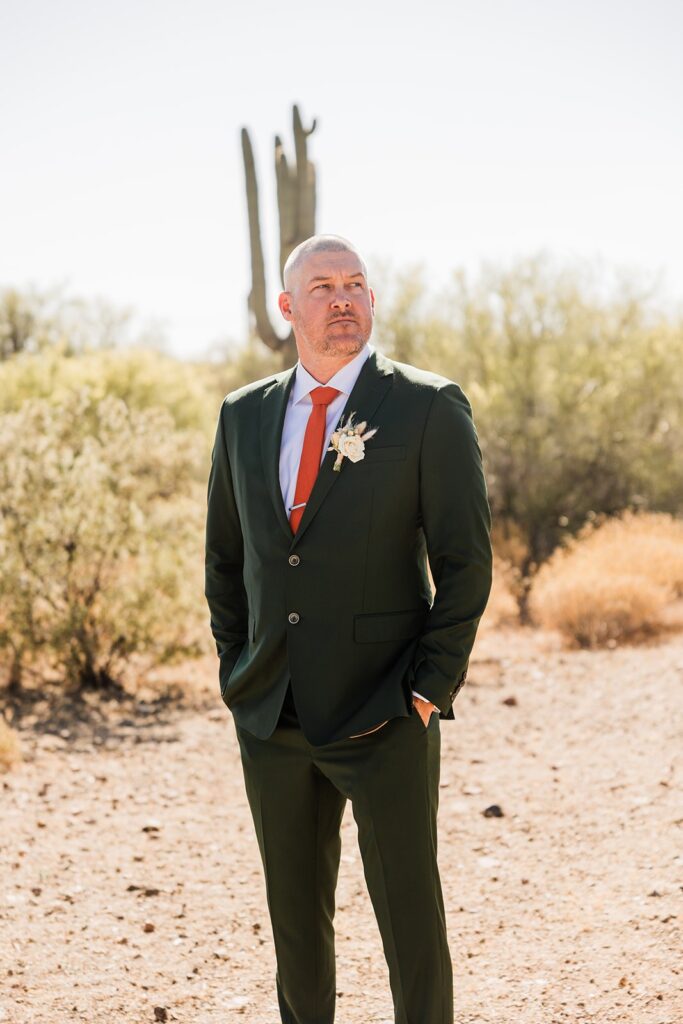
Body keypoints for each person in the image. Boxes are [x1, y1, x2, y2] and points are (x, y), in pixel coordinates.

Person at [204, 234, 492, 1024]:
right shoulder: (243, 416)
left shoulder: (426, 406)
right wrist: (239, 674)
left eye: (357, 284)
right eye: (324, 286)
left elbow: (466, 562)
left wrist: (429, 689)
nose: (343, 299)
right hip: (272, 715)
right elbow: (225, 563)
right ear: (287, 306)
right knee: (296, 928)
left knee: (409, 921)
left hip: (385, 711)